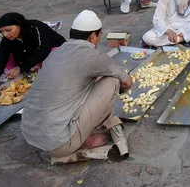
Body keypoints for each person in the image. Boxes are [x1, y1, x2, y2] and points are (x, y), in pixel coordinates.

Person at [21, 10, 133, 162]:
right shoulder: (93, 56)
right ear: (92, 36)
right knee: (111, 81)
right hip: (59, 144)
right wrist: (122, 90)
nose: (98, 40)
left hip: (30, 134)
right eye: (99, 36)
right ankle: (84, 141)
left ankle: (77, 133)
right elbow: (126, 81)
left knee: (88, 82)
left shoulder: (56, 53)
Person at [0, 12, 65, 105]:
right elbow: (0, 59)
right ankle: (31, 67)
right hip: (29, 55)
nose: (5, 34)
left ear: (19, 25)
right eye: (2, 31)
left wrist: (20, 68)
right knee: (6, 60)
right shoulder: (8, 38)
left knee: (54, 60)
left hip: (51, 52)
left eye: (8, 30)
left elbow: (43, 50)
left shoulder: (36, 27)